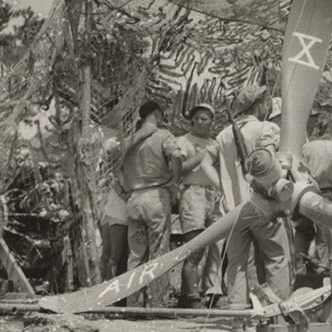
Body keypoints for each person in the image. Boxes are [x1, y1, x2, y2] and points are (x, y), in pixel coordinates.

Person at [201, 85, 293, 309]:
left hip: (233, 208)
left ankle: (237, 312)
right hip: (263, 206)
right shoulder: (267, 128)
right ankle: (278, 312)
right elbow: (270, 165)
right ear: (260, 104)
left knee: (237, 263)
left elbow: (206, 164)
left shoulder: (224, 134)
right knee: (277, 258)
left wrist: (224, 186)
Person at [119, 100, 185, 308]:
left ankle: (134, 303)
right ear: (157, 113)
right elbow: (176, 155)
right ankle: (157, 303)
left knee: (136, 254)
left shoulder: (129, 141)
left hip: (133, 199)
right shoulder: (163, 135)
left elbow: (116, 169)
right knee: (158, 252)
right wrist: (175, 180)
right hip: (156, 197)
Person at [175, 103, 222, 308]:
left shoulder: (216, 142)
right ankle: (189, 295)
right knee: (194, 246)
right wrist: (201, 156)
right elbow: (178, 170)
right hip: (192, 192)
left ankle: (211, 290)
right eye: (198, 118)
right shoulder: (182, 141)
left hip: (213, 194)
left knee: (216, 245)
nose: (202, 122)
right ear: (192, 120)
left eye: (206, 118)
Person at [294, 114, 332, 276]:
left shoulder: (307, 148)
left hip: (304, 192)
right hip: (328, 193)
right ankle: (323, 266)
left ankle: (299, 264)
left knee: (302, 230)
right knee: (326, 233)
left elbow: (297, 170)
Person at [98, 135, 129, 283]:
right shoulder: (105, 170)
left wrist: (119, 189)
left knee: (115, 255)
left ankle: (109, 283)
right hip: (109, 212)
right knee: (107, 252)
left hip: (119, 213)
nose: (107, 156)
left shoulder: (121, 169)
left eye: (111, 153)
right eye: (107, 153)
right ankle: (103, 281)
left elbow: (124, 190)